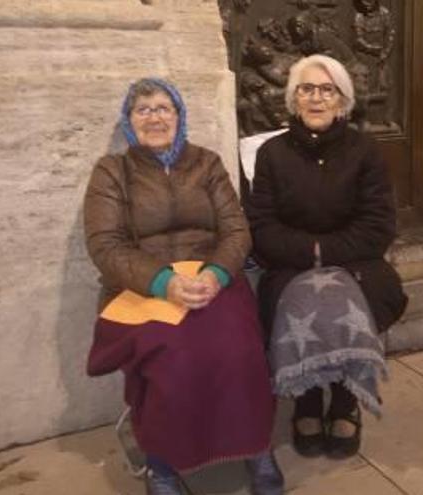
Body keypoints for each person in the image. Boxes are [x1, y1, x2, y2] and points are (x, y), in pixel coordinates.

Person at [83, 78, 284, 495]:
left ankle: (256, 447)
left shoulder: (206, 163)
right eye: (143, 109)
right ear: (128, 120)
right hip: (141, 288)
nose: (155, 116)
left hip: (213, 278)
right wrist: (163, 282)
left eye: (164, 108)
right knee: (169, 354)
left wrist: (216, 274)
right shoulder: (112, 172)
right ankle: (162, 464)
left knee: (238, 347)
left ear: (179, 115)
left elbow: (236, 230)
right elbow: (105, 245)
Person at [246, 55, 408, 458]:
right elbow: (261, 226)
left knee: (343, 298)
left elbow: (377, 225)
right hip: (289, 264)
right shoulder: (272, 154)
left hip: (357, 263)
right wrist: (309, 252)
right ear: (293, 98)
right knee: (302, 299)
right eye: (306, 89)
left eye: (327, 89)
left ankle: (343, 399)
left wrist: (327, 252)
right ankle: (305, 397)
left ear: (342, 100)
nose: (316, 99)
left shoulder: (365, 151)